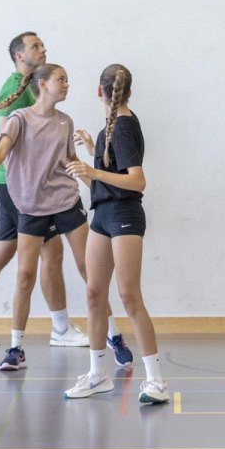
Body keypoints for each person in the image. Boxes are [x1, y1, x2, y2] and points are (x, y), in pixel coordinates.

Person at [0, 32, 118, 361]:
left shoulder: (56, 114)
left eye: (43, 45)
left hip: (29, 186)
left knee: (2, 252)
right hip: (20, 186)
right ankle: (59, 328)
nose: (43, 49)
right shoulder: (16, 90)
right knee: (47, 255)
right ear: (20, 57)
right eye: (35, 46)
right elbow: (6, 141)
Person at [0, 63, 93, 372]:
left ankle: (112, 335)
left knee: (89, 267)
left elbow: (71, 160)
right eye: (61, 80)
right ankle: (16, 348)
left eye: (68, 79)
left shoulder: (65, 122)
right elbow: (0, 152)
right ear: (42, 84)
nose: (67, 84)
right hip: (30, 206)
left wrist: (96, 184)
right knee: (24, 275)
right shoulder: (19, 119)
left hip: (65, 202)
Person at [63, 64, 168, 403]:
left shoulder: (123, 127)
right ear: (129, 92)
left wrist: (93, 169)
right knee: (94, 294)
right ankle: (97, 374)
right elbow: (103, 182)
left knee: (128, 296)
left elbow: (137, 181)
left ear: (99, 91)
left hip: (124, 215)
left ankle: (156, 382)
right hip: (103, 215)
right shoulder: (109, 128)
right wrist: (86, 162)